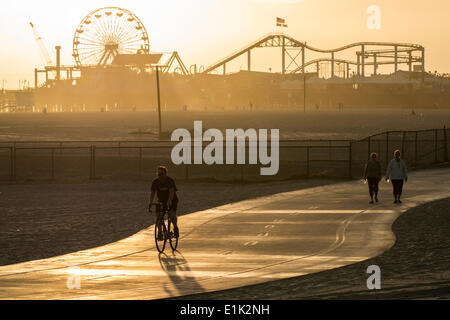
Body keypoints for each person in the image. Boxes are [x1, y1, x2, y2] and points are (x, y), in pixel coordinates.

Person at [149, 166, 179, 239]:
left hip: (172, 199)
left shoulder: (170, 181)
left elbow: (172, 191)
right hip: (161, 200)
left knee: (171, 213)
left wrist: (169, 200)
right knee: (158, 216)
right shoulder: (155, 182)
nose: (160, 176)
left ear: (166, 174)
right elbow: (152, 193)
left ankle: (175, 227)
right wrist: (150, 202)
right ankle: (160, 232)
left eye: (162, 174)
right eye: (158, 174)